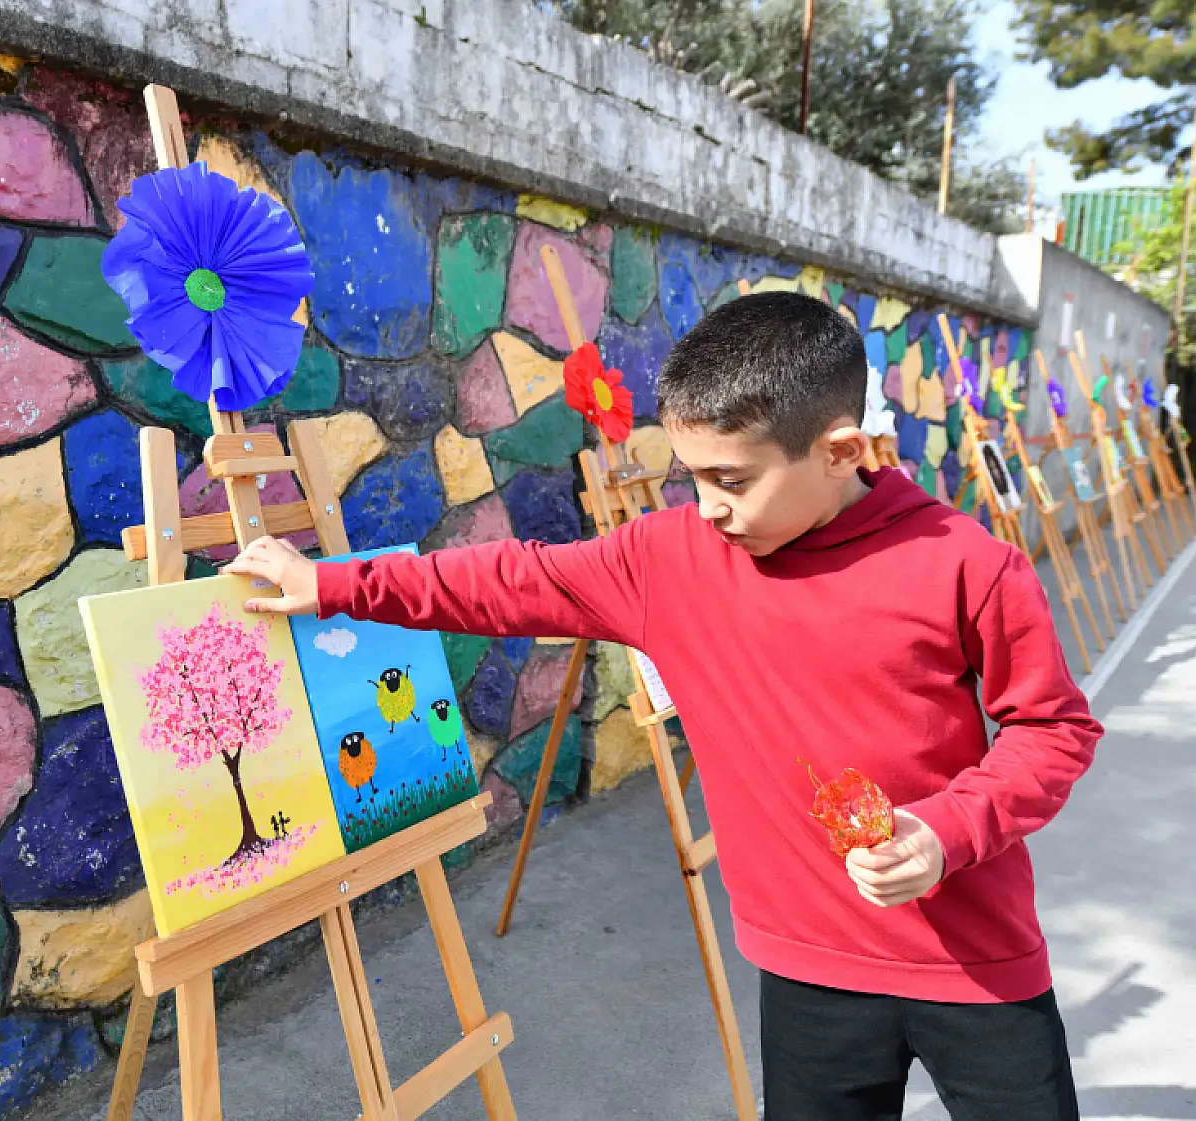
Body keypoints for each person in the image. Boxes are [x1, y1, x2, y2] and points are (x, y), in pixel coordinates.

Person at [229, 291, 1101, 1121]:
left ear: (840, 451)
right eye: (692, 478)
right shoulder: (666, 559)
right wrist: (331, 582)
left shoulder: (965, 562)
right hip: (806, 969)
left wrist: (948, 830)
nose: (708, 508)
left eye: (732, 479)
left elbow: (1054, 731)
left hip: (974, 960)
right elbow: (510, 578)